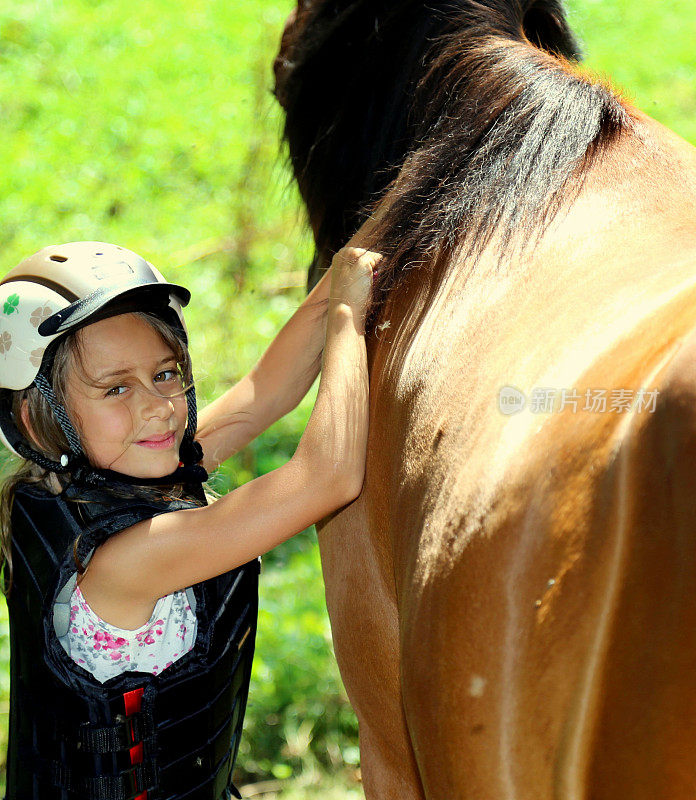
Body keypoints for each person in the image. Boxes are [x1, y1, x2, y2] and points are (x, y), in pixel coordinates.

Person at [0, 239, 379, 799]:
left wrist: (365, 245)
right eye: (116, 387)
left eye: (166, 373)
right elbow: (330, 476)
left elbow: (260, 396)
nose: (157, 406)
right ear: (37, 420)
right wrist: (349, 317)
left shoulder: (76, 487)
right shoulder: (127, 559)